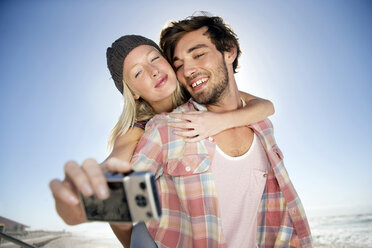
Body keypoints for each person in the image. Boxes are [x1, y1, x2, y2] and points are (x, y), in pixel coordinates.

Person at [49, 33, 275, 247]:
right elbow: (114, 169)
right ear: (133, 92)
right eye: (138, 73)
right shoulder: (139, 129)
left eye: (154, 58)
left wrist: (219, 121)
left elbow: (265, 106)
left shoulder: (199, 93)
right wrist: (81, 198)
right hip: (155, 229)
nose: (153, 71)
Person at [125, 15, 313, 247]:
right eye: (179, 65)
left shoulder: (263, 126)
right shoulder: (166, 127)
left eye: (198, 54)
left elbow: (278, 210)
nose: (189, 70)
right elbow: (123, 200)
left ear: (229, 52)